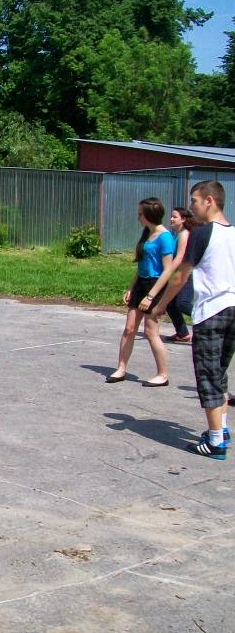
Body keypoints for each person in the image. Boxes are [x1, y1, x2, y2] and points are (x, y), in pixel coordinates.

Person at [151, 181, 235, 460]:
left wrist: (161, 305)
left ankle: (215, 442)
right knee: (219, 372)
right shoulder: (233, 233)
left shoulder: (202, 234)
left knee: (207, 375)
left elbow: (179, 277)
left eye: (195, 201)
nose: (192, 207)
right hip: (233, 309)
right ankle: (222, 428)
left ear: (209, 201)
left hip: (212, 312)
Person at [105, 197, 172, 387]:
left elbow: (168, 270)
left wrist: (151, 296)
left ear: (150, 214)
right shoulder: (147, 233)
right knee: (129, 329)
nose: (138, 217)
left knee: (150, 332)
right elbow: (141, 265)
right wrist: (131, 287)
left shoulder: (165, 237)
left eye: (140, 214)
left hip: (155, 286)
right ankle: (121, 368)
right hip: (141, 283)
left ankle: (162, 374)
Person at [152, 206, 199, 343]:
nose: (171, 219)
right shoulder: (177, 234)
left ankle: (207, 318)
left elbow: (179, 258)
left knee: (182, 304)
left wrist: (167, 272)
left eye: (175, 217)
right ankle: (182, 333)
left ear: (183, 219)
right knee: (170, 304)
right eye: (171, 216)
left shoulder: (184, 234)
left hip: (188, 275)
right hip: (181, 273)